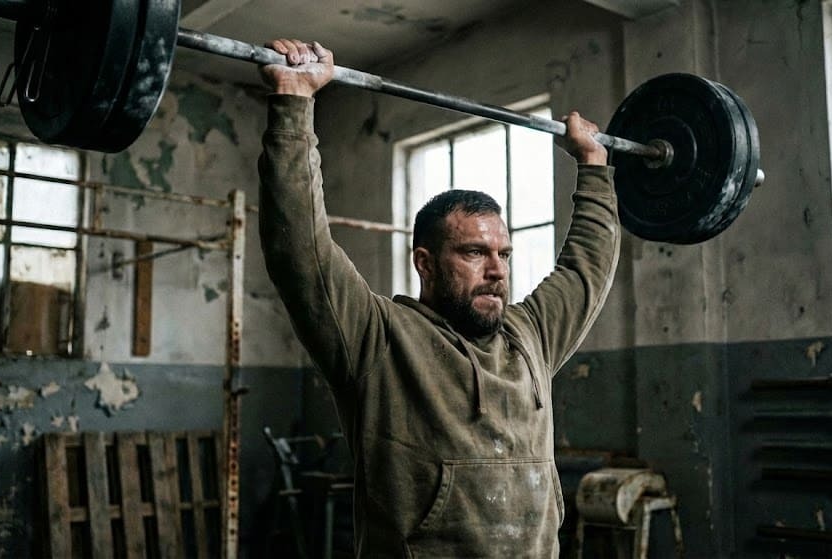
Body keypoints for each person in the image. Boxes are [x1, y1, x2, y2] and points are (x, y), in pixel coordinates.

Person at [258, 38, 620, 558]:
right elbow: (299, 251)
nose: (497, 270)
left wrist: (595, 166)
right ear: (425, 263)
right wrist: (294, 105)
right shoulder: (379, 339)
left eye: (504, 254)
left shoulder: (530, 337)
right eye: (474, 252)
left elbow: (587, 268)